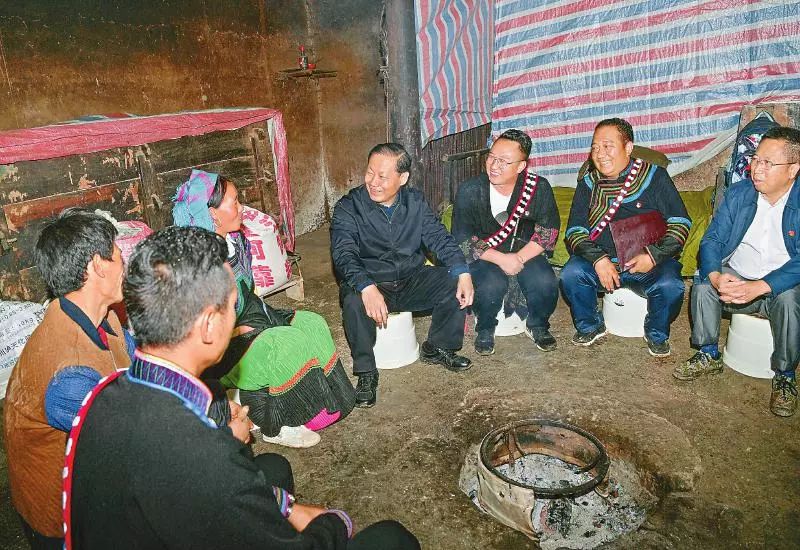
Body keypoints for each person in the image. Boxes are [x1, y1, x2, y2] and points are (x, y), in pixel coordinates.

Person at [64, 226, 420, 549]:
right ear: (208, 325)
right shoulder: (206, 457)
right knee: (392, 539)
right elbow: (207, 472)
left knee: (274, 469)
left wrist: (286, 506)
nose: (237, 317)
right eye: (233, 306)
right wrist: (336, 523)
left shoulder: (101, 394)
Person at [173, 170, 355, 448]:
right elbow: (205, 330)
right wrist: (250, 329)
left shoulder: (235, 240)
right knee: (285, 344)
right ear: (212, 214)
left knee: (312, 323)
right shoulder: (198, 264)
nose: (241, 208)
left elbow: (248, 294)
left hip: (251, 316)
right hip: (222, 347)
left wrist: (261, 319)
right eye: (234, 202)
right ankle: (275, 423)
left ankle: (324, 402)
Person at [3, 208, 132, 549]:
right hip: (63, 522)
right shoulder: (70, 376)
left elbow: (141, 367)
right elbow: (128, 445)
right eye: (118, 254)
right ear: (98, 265)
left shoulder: (97, 315)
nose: (124, 264)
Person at [331, 143, 474, 407]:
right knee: (352, 300)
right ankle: (366, 372)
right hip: (372, 283)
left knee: (455, 280)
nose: (373, 182)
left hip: (411, 279)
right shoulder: (349, 207)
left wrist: (462, 270)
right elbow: (343, 254)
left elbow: (439, 238)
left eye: (382, 176)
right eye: (370, 172)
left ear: (403, 178)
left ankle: (438, 347)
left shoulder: (415, 202)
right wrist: (366, 286)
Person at [674, 126, 800, 417]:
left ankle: (785, 376)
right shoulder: (740, 193)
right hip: (738, 276)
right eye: (756, 159)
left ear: (793, 169)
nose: (757, 168)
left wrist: (763, 285)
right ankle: (708, 353)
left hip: (780, 284)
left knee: (790, 299)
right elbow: (712, 240)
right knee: (703, 283)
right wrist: (717, 276)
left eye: (768, 163)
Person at [561, 118, 691, 357]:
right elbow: (574, 231)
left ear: (628, 147)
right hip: (604, 263)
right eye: (595, 147)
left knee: (670, 285)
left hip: (648, 263)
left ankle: (656, 333)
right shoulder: (588, 184)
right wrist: (598, 259)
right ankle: (590, 326)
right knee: (571, 274)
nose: (600, 154)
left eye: (608, 146)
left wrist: (653, 256)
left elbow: (680, 223)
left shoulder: (654, 176)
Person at [452, 129, 560, 355]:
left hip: (526, 252)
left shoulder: (538, 188)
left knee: (544, 281)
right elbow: (462, 237)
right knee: (489, 284)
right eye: (492, 157)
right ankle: (485, 327)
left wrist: (518, 258)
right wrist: (500, 259)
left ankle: (538, 324)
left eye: (504, 161)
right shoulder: (470, 190)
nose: (494, 165)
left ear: (521, 166)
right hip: (486, 254)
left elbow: (547, 233)